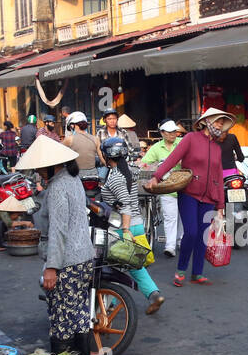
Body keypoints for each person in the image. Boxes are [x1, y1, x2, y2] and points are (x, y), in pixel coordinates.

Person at [16, 134, 97, 355]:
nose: (38, 172)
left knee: (62, 318)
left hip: (68, 262)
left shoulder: (59, 188)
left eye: (42, 168)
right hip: (84, 258)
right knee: (79, 314)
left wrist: (52, 267)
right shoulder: (73, 180)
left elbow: (58, 231)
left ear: (54, 166)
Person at [149, 108, 234, 287]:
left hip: (209, 197)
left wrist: (220, 205)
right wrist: (157, 176)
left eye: (222, 123)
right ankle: (180, 270)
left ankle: (197, 273)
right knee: (191, 232)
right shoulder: (190, 139)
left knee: (203, 235)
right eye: (218, 121)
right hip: (189, 193)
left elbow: (219, 177)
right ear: (207, 121)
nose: (220, 125)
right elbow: (173, 159)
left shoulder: (217, 148)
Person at [100, 137, 165, 315]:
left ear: (107, 156)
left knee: (109, 265)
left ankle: (108, 303)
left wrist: (126, 231)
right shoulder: (130, 170)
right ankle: (154, 295)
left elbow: (125, 205)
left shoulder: (115, 177)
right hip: (137, 224)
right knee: (134, 266)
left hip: (123, 227)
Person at [142, 120, 183, 258]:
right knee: (170, 217)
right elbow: (145, 163)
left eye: (174, 131)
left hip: (184, 186)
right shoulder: (156, 148)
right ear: (162, 133)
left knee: (183, 216)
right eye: (170, 132)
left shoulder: (182, 143)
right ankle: (170, 245)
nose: (173, 134)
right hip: (166, 188)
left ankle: (181, 241)